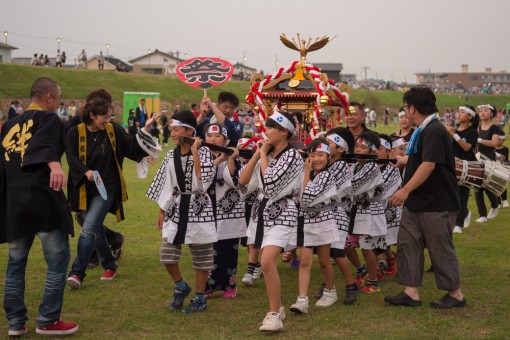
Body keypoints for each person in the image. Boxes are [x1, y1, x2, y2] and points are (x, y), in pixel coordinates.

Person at [0, 77, 78, 336]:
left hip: (15, 203)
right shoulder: (49, 119)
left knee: (15, 262)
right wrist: (55, 165)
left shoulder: (8, 125)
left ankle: (15, 323)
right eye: (58, 98)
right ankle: (47, 320)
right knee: (58, 260)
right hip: (42, 201)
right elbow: (44, 146)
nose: (58, 103)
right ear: (49, 98)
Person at [65, 90, 159, 289]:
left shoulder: (113, 131)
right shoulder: (75, 132)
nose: (108, 120)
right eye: (104, 117)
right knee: (94, 228)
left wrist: (145, 134)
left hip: (106, 189)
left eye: (109, 117)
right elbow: (71, 158)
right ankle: (109, 264)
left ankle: (77, 273)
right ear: (92, 115)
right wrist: (86, 172)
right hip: (82, 188)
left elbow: (132, 147)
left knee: (89, 227)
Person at [385, 86, 465, 309]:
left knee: (440, 248)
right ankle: (411, 292)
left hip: (437, 203)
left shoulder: (433, 131)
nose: (405, 112)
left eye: (405, 108)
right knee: (407, 243)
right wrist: (406, 161)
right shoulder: (424, 129)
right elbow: (422, 159)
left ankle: (455, 293)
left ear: (413, 108)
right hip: (418, 203)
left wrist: (404, 190)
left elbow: (429, 165)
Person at [239, 111, 303, 332]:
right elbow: (243, 180)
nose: (266, 132)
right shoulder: (267, 153)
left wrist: (264, 155)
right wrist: (258, 155)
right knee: (267, 263)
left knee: (266, 261)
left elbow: (272, 185)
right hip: (261, 212)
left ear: (284, 132)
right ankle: (277, 309)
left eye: (270, 128)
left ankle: (274, 314)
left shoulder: (292, 156)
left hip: (282, 212)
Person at [147, 110, 216, 314]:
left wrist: (195, 150)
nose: (173, 133)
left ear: (189, 130)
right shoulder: (171, 155)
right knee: (167, 255)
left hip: (199, 208)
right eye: (171, 130)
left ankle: (200, 296)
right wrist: (162, 210)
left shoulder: (204, 152)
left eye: (176, 129)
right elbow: (166, 184)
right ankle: (180, 286)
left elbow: (202, 183)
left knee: (201, 256)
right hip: (176, 208)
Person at [289, 138, 340, 314]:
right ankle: (302, 299)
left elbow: (307, 197)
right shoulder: (307, 172)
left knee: (325, 260)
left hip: (322, 222)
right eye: (312, 155)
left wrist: (305, 172)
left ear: (328, 156)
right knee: (305, 261)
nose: (317, 159)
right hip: (305, 222)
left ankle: (330, 291)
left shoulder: (326, 175)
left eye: (321, 155)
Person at [203, 123, 246, 299]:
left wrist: (228, 158)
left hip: (228, 212)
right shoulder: (201, 156)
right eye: (209, 136)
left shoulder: (234, 157)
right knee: (207, 250)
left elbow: (235, 181)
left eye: (217, 136)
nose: (213, 139)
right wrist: (217, 161)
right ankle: (209, 285)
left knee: (227, 250)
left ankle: (230, 284)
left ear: (226, 139)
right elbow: (202, 179)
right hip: (206, 210)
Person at [446, 105, 479, 233]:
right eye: (458, 111)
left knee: (462, 195)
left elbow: (466, 148)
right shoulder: (453, 130)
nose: (459, 114)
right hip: (453, 166)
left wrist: (454, 134)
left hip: (467, 167)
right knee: (452, 195)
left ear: (470, 116)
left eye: (462, 112)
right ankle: (465, 213)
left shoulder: (472, 132)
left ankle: (458, 224)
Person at [474, 104, 501, 222]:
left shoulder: (494, 127)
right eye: (480, 111)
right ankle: (482, 215)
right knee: (477, 187)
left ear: (491, 113)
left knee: (488, 186)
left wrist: (479, 139)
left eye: (485, 111)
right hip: (478, 159)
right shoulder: (478, 127)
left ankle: (495, 205)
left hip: (489, 160)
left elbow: (494, 143)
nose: (482, 113)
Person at [495, 131, 509, 207]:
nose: (498, 141)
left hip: (502, 168)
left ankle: (504, 200)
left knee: (502, 184)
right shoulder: (492, 149)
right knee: (495, 185)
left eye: (500, 140)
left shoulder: (506, 149)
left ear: (503, 140)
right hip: (494, 169)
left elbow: (505, 158)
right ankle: (498, 202)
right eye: (497, 139)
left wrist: (499, 156)